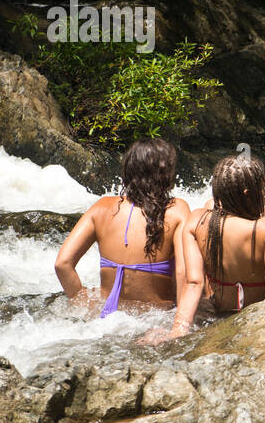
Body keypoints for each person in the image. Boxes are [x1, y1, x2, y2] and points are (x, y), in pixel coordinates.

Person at [54, 138, 203, 338]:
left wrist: (82, 302)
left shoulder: (101, 207)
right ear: (166, 174)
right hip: (157, 319)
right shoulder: (177, 210)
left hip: (106, 321)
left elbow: (62, 264)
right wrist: (179, 329)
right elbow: (184, 273)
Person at [182, 153, 265, 321]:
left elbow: (193, 283)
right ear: (247, 193)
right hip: (256, 317)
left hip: (218, 315)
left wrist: (178, 328)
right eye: (262, 187)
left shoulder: (196, 221)